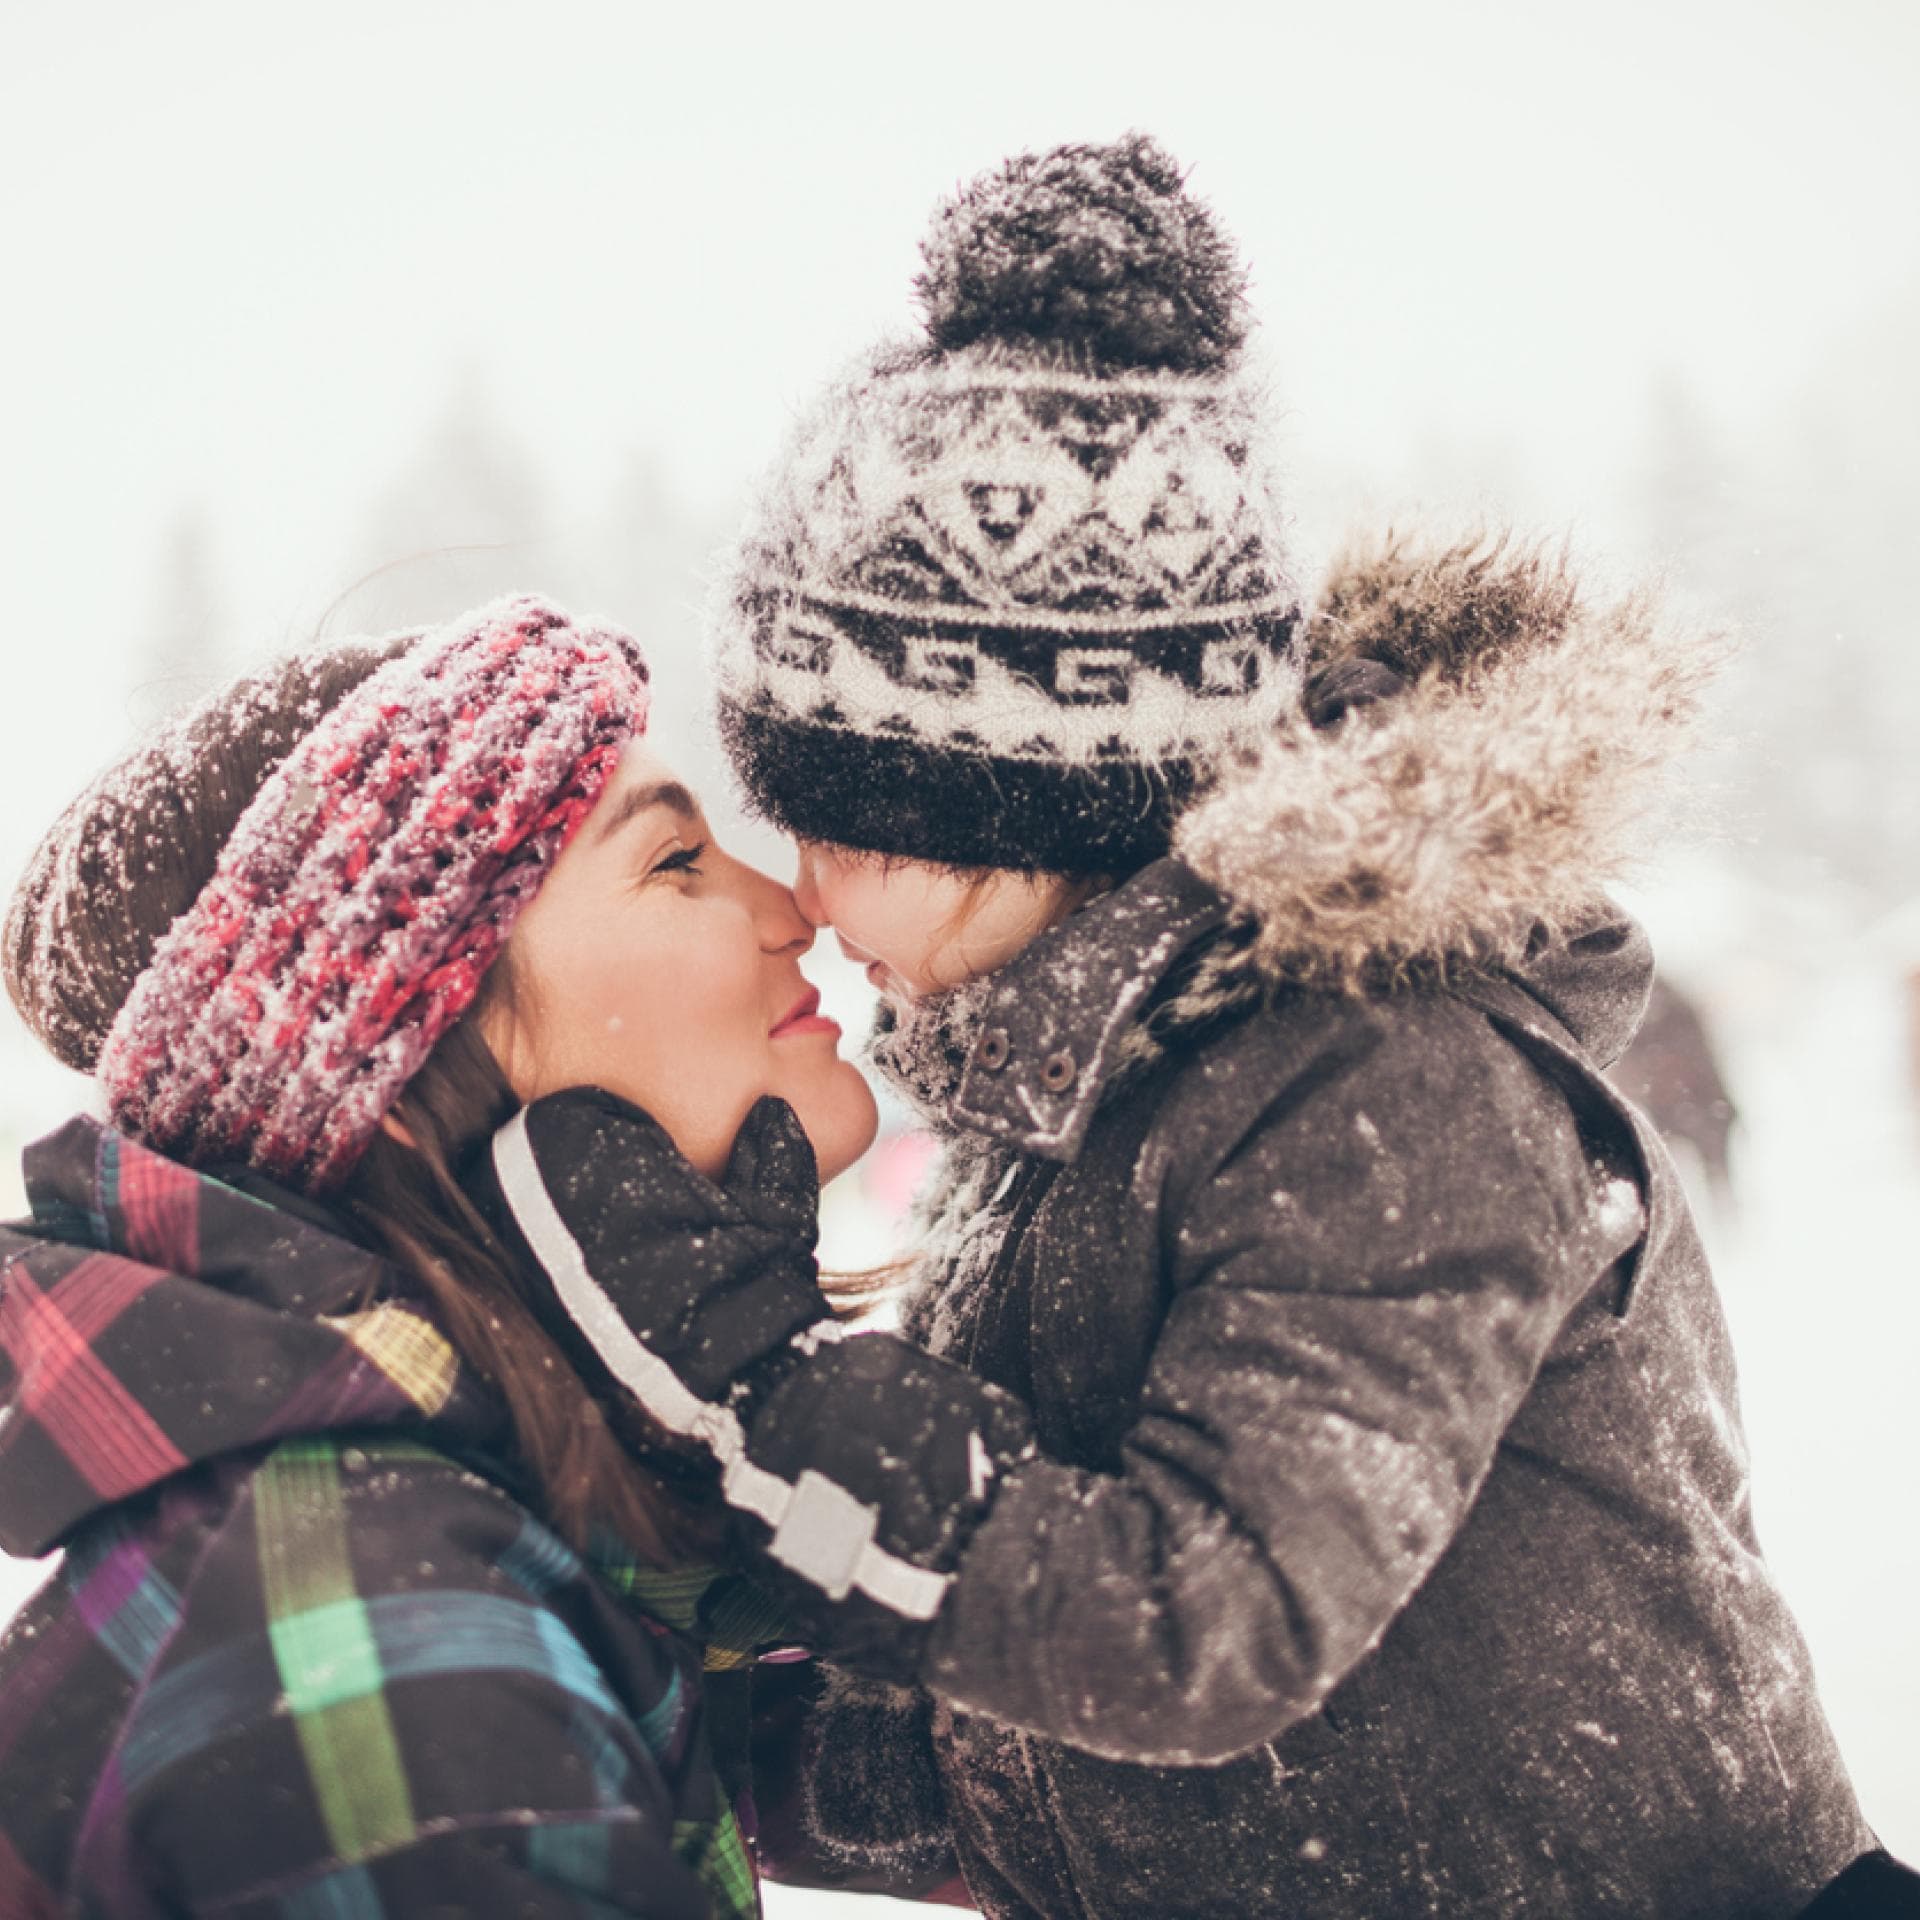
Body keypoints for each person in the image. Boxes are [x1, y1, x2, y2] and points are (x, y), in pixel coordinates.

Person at [478, 138, 1912, 1915]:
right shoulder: (1085, 1104)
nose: (805, 896)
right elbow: (1073, 1750)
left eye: (841, 828)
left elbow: (1185, 1636)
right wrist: (637, 1727)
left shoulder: (1383, 1074)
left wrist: (756, 1369)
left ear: (1027, 816)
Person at [0, 596, 878, 1915]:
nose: (787, 907)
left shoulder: (480, 1529)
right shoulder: (372, 1644)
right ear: (402, 1079)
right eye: (675, 863)